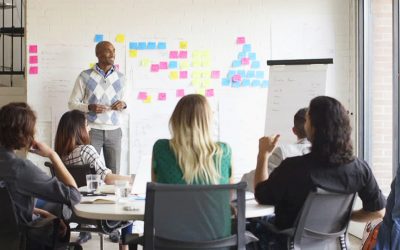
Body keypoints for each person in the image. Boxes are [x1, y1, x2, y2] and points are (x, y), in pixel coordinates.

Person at [253, 96, 386, 249]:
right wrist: (344, 216)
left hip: (286, 242)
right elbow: (378, 212)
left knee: (248, 226)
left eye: (307, 118)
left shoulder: (293, 168)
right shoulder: (359, 169)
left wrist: (263, 155)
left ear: (314, 128)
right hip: (333, 245)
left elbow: (261, 196)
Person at [0, 102, 81, 249]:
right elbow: (74, 196)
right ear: (24, 134)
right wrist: (52, 155)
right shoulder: (20, 168)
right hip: (22, 242)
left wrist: (41, 212)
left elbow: (9, 205)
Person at [54, 109, 132, 249]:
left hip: (71, 213)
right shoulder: (86, 150)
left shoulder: (59, 157)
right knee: (129, 210)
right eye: (86, 124)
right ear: (79, 129)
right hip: (96, 212)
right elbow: (107, 178)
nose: (89, 128)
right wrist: (131, 179)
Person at [68, 41, 128, 175]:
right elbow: (72, 104)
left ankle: (113, 196)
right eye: (108, 50)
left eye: (114, 50)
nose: (113, 54)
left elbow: (129, 104)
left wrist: (124, 104)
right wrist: (89, 107)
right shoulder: (84, 76)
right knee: (89, 172)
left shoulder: (122, 78)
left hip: (114, 131)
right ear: (97, 54)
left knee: (114, 172)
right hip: (91, 130)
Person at [152, 94, 232, 185]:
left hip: (173, 200)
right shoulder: (224, 151)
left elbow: (156, 193)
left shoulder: (161, 148)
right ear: (208, 121)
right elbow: (230, 195)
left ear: (175, 119)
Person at [241, 107, 310, 192]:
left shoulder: (284, 152)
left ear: (294, 131)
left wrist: (263, 154)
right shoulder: (328, 155)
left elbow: (249, 184)